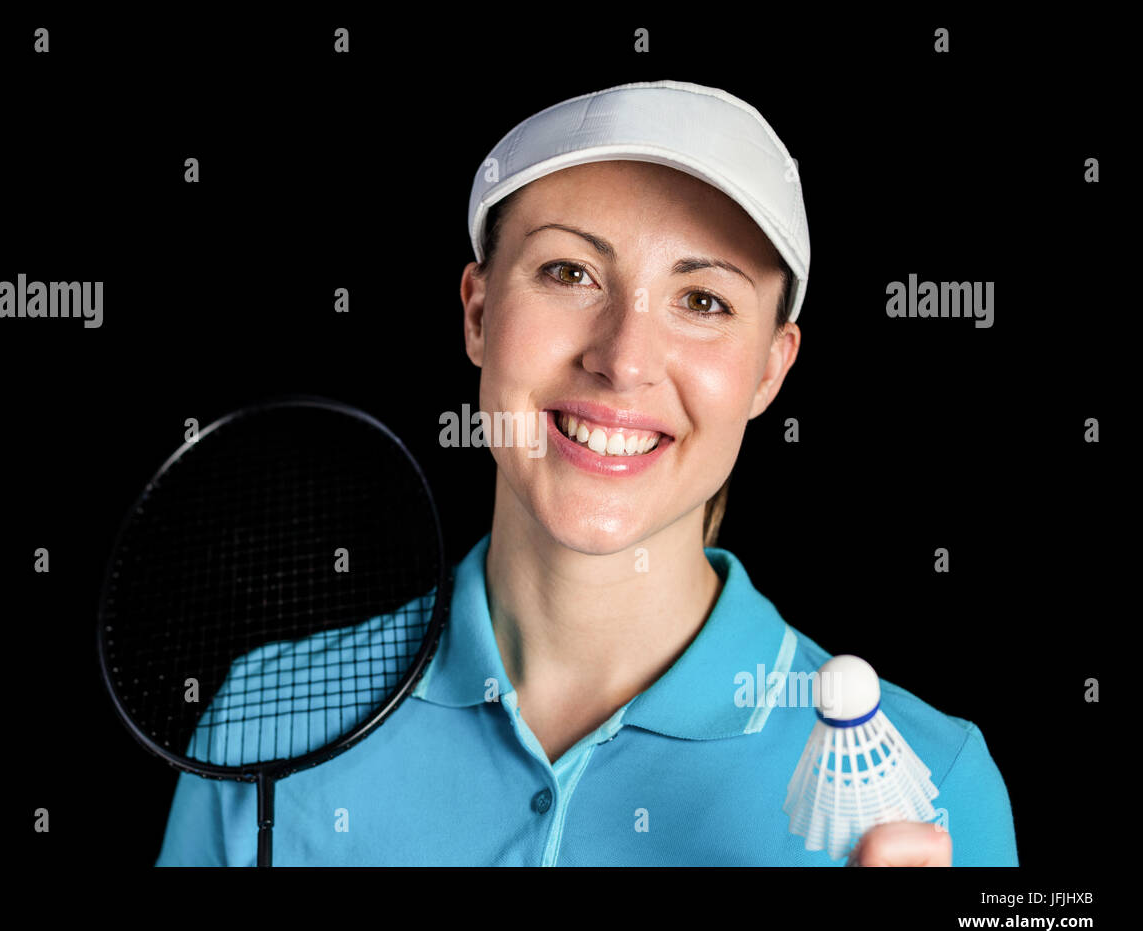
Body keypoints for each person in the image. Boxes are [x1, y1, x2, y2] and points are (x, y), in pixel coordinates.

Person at [156, 80, 1017, 866]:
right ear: (481, 311)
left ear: (769, 371)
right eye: (570, 273)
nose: (623, 359)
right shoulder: (266, 718)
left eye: (704, 300)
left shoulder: (932, 787)